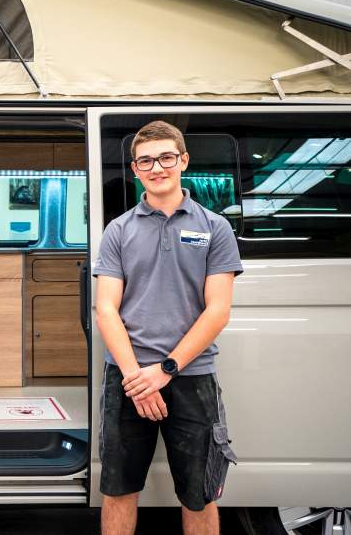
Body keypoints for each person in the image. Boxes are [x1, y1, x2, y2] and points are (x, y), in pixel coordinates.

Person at [93, 120, 242, 535]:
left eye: (165, 157)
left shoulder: (215, 228)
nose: (157, 167)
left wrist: (164, 371)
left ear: (183, 161)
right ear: (135, 168)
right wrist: (135, 379)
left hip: (191, 376)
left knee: (200, 493)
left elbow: (217, 311)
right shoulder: (118, 230)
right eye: (146, 160)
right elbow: (106, 309)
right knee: (119, 490)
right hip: (127, 377)